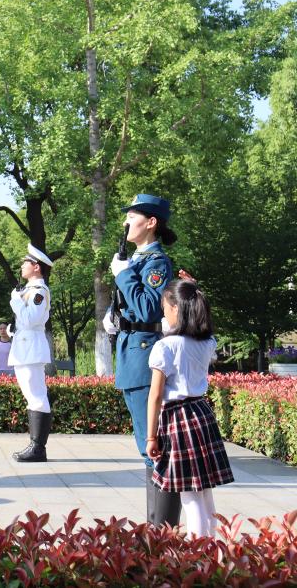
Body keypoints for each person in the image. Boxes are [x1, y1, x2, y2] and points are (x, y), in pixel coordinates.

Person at [109, 193, 181, 526]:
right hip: (131, 350)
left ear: (151, 222)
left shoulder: (157, 262)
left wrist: (123, 275)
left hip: (143, 354)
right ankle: (157, 528)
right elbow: (131, 306)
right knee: (145, 442)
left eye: (132, 216)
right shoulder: (138, 259)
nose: (125, 222)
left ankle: (161, 531)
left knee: (154, 444)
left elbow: (149, 309)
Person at [146, 279, 233, 537]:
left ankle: (198, 551)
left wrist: (151, 437)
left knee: (189, 494)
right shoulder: (206, 343)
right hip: (201, 414)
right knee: (204, 491)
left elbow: (155, 395)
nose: (163, 313)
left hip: (178, 418)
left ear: (176, 308)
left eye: (165, 307)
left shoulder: (165, 347)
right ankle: (211, 546)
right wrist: (190, 288)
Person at [9, 244, 54, 463]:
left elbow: (30, 319)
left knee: (36, 396)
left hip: (31, 349)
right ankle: (35, 445)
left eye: (25, 262)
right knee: (32, 396)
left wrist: (16, 301)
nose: (22, 266)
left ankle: (38, 448)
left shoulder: (39, 291)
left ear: (36, 267)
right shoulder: (29, 290)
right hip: (25, 348)